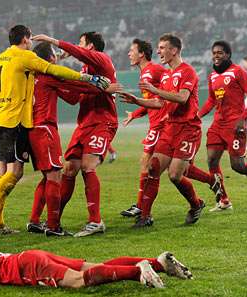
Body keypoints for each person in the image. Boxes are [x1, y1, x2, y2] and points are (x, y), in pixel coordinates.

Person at [0, 25, 114, 240]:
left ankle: (4, 221)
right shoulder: (38, 66)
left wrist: (80, 81)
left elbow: (71, 95)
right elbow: (60, 75)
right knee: (50, 175)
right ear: (25, 39)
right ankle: (49, 224)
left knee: (10, 171)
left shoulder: (7, 59)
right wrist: (96, 84)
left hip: (10, 121)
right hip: (39, 126)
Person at [32, 31, 119, 237]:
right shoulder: (87, 68)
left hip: (102, 120)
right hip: (85, 122)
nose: (78, 47)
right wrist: (55, 84)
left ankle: (95, 221)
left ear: (89, 46)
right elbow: (74, 98)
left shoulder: (101, 59)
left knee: (88, 166)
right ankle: (54, 220)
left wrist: (53, 41)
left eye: (81, 43)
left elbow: (78, 54)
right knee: (69, 169)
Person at [119, 34, 206, 227]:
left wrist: (154, 89)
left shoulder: (188, 71)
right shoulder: (166, 75)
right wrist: (137, 102)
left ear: (174, 50)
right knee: (153, 167)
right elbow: (159, 103)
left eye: (162, 48)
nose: (158, 52)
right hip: (170, 128)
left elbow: (182, 98)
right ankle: (145, 216)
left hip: (188, 129)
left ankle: (196, 204)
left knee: (175, 175)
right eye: (158, 48)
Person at [198, 41, 247, 211]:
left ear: (228, 55)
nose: (216, 56)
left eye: (220, 53)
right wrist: (197, 116)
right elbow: (211, 100)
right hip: (218, 124)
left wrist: (243, 118)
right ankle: (223, 200)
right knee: (211, 160)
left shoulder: (238, 72)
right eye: (214, 53)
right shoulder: (212, 76)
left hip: (235, 125)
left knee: (238, 166)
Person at [0, 246, 193, 289]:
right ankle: (159, 263)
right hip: (27, 256)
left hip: (24, 267)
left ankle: (139, 271)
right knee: (95, 265)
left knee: (79, 280)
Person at [120, 39, 168, 218]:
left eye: (131, 50)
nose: (128, 53)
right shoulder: (145, 73)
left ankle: (141, 207)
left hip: (161, 124)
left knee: (148, 164)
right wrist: (135, 114)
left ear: (141, 54)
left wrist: (168, 113)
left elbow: (170, 90)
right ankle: (141, 205)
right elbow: (151, 102)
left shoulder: (155, 70)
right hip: (155, 124)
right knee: (176, 171)